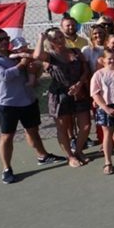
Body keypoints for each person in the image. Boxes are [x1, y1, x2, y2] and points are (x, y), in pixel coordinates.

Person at [0, 29, 64, 184]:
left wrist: (35, 68)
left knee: (33, 131)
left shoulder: (18, 54)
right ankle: (7, 169)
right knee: (7, 136)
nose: (4, 42)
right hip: (7, 105)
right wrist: (22, 64)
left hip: (28, 101)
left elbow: (36, 64)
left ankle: (42, 156)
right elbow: (4, 76)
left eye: (5, 38)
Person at [34, 28, 92, 167]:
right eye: (55, 38)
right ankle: (70, 156)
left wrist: (79, 83)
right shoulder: (49, 56)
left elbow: (86, 70)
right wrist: (41, 39)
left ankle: (78, 151)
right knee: (63, 128)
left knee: (86, 125)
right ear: (50, 41)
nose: (60, 40)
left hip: (80, 92)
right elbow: (36, 56)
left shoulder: (76, 52)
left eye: (61, 36)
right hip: (60, 95)